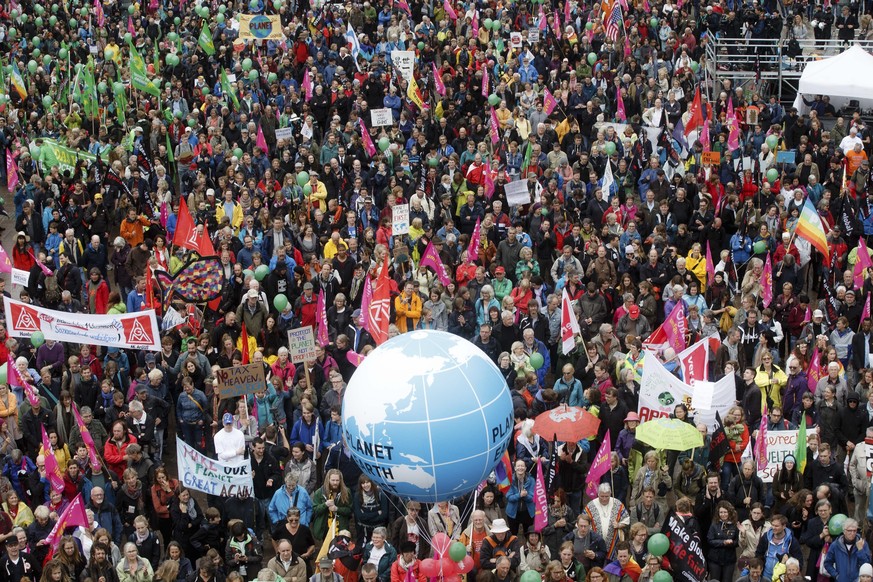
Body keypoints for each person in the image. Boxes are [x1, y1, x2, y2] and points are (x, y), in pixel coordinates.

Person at [823, 518, 871, 582]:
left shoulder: (862, 543)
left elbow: (867, 565)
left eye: (854, 531)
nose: (852, 533)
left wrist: (860, 550)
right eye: (849, 531)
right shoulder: (835, 545)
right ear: (844, 531)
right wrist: (836, 575)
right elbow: (827, 563)